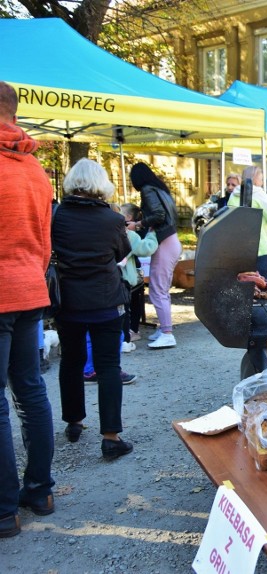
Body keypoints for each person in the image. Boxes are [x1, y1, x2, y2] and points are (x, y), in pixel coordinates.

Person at [0, 81, 56, 536]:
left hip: (5, 293)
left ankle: (3, 510)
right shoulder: (36, 169)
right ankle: (39, 489)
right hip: (30, 290)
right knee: (31, 390)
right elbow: (44, 243)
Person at [53, 158, 135, 460]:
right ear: (102, 184)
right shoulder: (112, 219)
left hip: (70, 302)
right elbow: (122, 253)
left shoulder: (57, 216)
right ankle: (111, 437)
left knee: (71, 362)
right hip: (106, 301)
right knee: (109, 366)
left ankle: (74, 422)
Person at [129, 162, 182, 349]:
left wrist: (138, 224)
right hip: (170, 240)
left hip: (165, 241)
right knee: (162, 289)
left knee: (157, 290)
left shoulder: (147, 190)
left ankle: (167, 333)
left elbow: (158, 215)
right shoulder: (159, 189)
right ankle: (164, 328)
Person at [228, 165, 267, 281]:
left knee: (244, 283)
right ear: (255, 179)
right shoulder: (259, 194)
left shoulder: (233, 195)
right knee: (263, 284)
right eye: (261, 179)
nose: (262, 183)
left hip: (240, 247)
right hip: (261, 247)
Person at [119, 203, 159, 349]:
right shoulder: (128, 235)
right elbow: (146, 248)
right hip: (124, 278)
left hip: (105, 277)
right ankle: (125, 340)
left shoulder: (101, 232)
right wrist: (153, 233)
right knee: (124, 309)